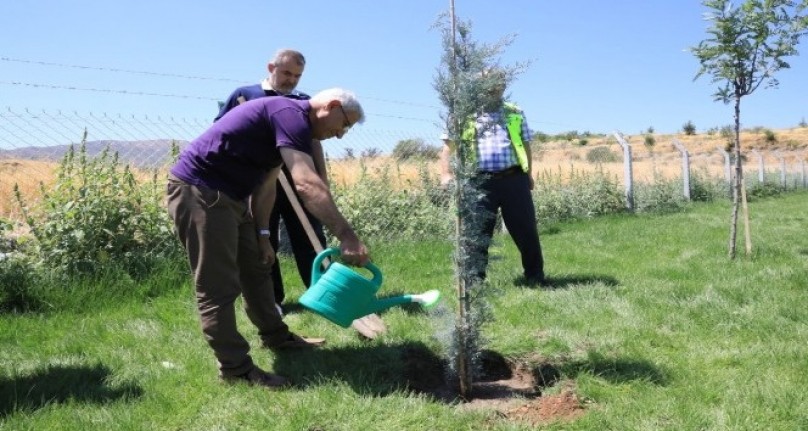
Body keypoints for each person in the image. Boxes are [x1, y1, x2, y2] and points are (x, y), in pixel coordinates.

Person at [167, 88, 369, 389]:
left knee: (257, 268)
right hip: (201, 192)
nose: (341, 134)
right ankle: (235, 369)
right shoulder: (290, 114)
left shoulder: (292, 124)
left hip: (232, 198)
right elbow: (305, 184)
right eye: (345, 124)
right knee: (217, 285)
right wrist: (347, 235)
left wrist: (263, 235)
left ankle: (277, 337)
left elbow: (267, 186)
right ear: (332, 105)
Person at [215, 49, 328, 312]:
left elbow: (315, 143)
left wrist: (322, 179)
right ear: (271, 67)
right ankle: (272, 300)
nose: (291, 80)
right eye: (287, 73)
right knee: (264, 241)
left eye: (297, 76)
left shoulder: (303, 101)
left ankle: (322, 294)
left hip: (300, 179)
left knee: (310, 238)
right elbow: (223, 133)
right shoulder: (245, 95)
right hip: (260, 183)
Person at [439, 67, 545, 286]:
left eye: (498, 83)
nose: (494, 88)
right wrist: (445, 174)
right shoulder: (464, 114)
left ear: (503, 86)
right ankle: (474, 282)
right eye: (489, 84)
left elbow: (525, 145)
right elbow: (449, 148)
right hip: (478, 182)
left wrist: (529, 174)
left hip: (514, 179)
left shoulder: (514, 111)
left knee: (526, 230)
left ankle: (535, 276)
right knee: (477, 233)